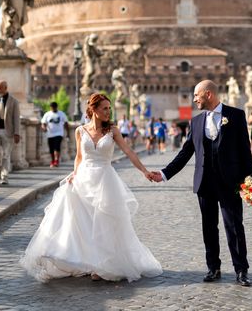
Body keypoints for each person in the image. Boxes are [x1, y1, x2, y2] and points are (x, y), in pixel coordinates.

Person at [20, 93, 162, 283]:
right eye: (104, 108)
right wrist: (74, 173)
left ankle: (102, 265)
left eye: (109, 108)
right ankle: (87, 260)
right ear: (93, 110)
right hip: (83, 179)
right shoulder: (80, 131)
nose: (108, 111)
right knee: (83, 222)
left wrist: (144, 171)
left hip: (105, 179)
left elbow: (129, 152)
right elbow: (79, 157)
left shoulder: (113, 131)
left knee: (104, 223)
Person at [148, 80, 252, 287]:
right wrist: (164, 174)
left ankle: (241, 270)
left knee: (234, 226)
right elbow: (185, 153)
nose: (194, 99)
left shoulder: (236, 116)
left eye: (197, 95)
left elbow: (245, 150)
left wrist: (250, 180)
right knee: (209, 227)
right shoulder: (195, 122)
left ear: (208, 94)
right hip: (204, 183)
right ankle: (213, 267)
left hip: (230, 182)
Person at [0, 80, 20, 185]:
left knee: (6, 155)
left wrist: (17, 133)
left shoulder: (14, 101)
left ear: (6, 88)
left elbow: (16, 118)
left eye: (0, 87)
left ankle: (4, 177)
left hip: (8, 131)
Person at [41, 101, 69, 168]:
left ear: (56, 107)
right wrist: (44, 128)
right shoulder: (47, 114)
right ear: (50, 107)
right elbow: (43, 123)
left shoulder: (61, 114)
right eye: (52, 107)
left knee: (57, 147)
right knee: (51, 149)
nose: (53, 108)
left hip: (59, 133)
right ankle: (53, 160)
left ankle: (56, 161)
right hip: (50, 134)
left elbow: (66, 123)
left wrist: (67, 133)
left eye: (54, 107)